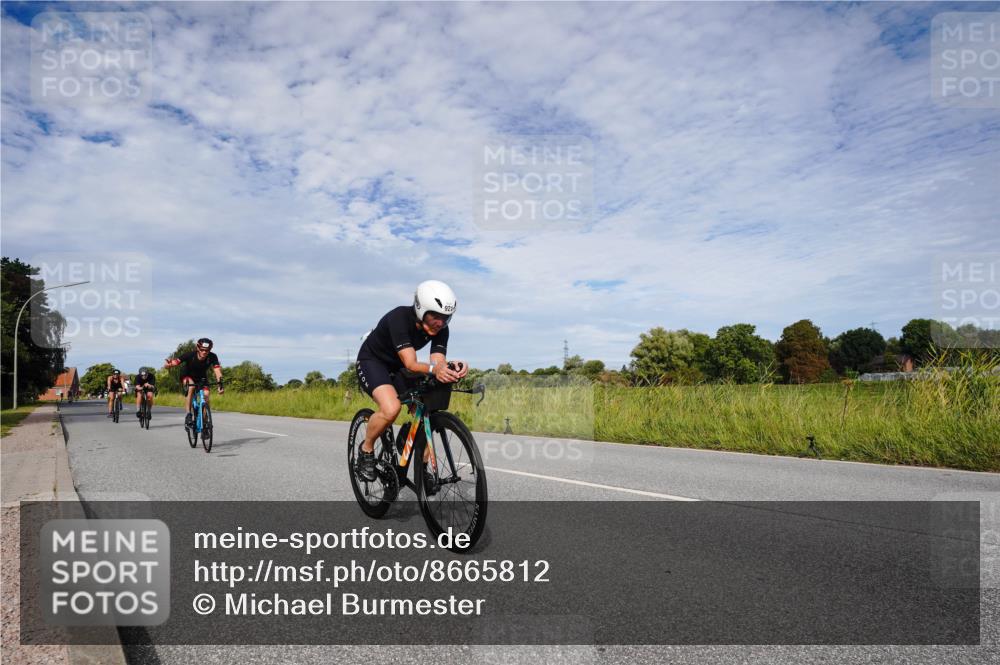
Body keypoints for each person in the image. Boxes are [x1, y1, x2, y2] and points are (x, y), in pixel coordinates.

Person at [355, 280, 468, 481]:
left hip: (399, 366)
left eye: (445, 317)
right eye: (435, 315)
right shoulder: (398, 318)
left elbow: (437, 362)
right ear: (420, 308)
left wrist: (451, 367)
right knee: (391, 409)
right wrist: (437, 370)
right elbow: (411, 363)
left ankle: (420, 468)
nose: (440, 323)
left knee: (426, 410)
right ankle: (366, 450)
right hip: (373, 362)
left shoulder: (442, 329)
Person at [164, 338, 224, 426]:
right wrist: (168, 365)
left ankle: (205, 422)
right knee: (191, 387)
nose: (204, 352)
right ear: (197, 348)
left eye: (207, 350)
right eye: (202, 350)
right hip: (187, 376)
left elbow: (217, 371)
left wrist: (220, 385)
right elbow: (175, 362)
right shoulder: (190, 355)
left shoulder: (212, 356)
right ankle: (188, 414)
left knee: (206, 395)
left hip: (201, 377)